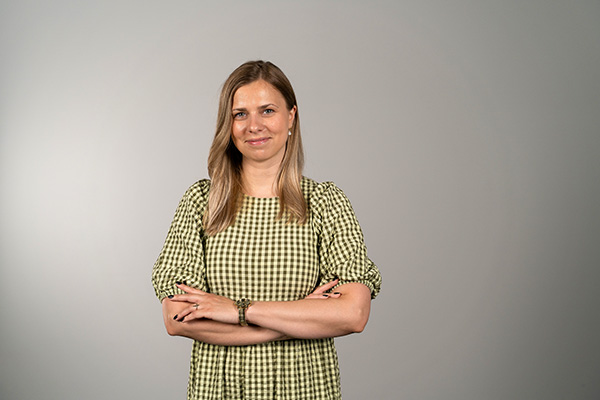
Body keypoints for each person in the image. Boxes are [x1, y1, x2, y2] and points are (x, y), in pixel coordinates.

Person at [152, 60, 381, 400]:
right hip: (221, 391)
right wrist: (297, 320)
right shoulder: (201, 202)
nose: (253, 125)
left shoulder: (324, 203)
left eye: (267, 110)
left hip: (305, 389)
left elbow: (353, 314)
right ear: (227, 124)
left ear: (291, 117)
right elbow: (178, 319)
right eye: (240, 114)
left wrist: (236, 311)